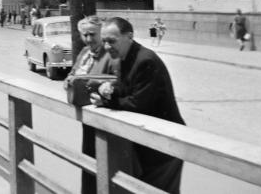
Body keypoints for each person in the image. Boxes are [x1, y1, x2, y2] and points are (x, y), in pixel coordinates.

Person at [91, 17, 185, 194]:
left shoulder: (145, 60)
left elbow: (137, 103)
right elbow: (127, 89)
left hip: (165, 147)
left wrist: (106, 101)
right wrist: (108, 89)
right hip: (150, 143)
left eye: (112, 41)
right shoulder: (125, 57)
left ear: (129, 36)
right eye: (104, 41)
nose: (107, 46)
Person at [64, 16, 118, 194]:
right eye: (84, 35)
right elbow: (72, 74)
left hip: (105, 118)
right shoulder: (85, 53)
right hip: (87, 117)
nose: (88, 39)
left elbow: (116, 83)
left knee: (107, 166)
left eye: (92, 34)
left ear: (102, 33)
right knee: (89, 163)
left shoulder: (111, 54)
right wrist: (68, 81)